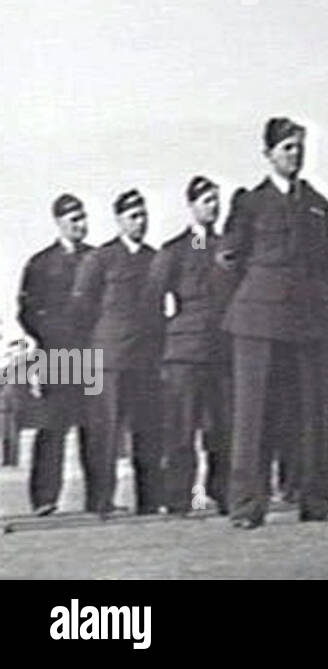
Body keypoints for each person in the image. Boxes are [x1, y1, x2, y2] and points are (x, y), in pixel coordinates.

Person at [218, 117, 328, 528]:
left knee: (314, 413)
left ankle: (317, 501)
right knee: (253, 417)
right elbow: (228, 260)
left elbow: (326, 264)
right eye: (288, 147)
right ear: (269, 154)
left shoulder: (317, 203)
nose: (296, 155)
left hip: (308, 321)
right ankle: (246, 507)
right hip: (258, 320)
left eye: (300, 147)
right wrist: (247, 306)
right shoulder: (249, 202)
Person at [143, 175, 232, 515]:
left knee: (223, 428)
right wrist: (171, 337)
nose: (214, 206)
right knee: (182, 429)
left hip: (221, 351)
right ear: (192, 205)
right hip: (184, 354)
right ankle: (179, 497)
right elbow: (152, 301)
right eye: (208, 200)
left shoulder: (228, 246)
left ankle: (222, 492)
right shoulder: (175, 250)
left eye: (216, 200)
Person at [72, 189, 163, 516]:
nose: (140, 222)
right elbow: (82, 308)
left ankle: (150, 501)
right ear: (120, 220)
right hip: (106, 359)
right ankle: (100, 502)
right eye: (133, 216)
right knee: (104, 434)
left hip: (145, 359)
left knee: (148, 432)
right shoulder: (101, 259)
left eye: (143, 216)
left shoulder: (155, 258)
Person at [18, 194, 94, 515]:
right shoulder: (41, 263)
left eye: (82, 217)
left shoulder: (96, 258)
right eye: (73, 219)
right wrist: (49, 338)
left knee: (95, 427)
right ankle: (45, 498)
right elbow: (26, 311)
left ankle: (98, 497)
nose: (80, 224)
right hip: (57, 354)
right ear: (59, 222)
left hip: (92, 353)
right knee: (53, 428)